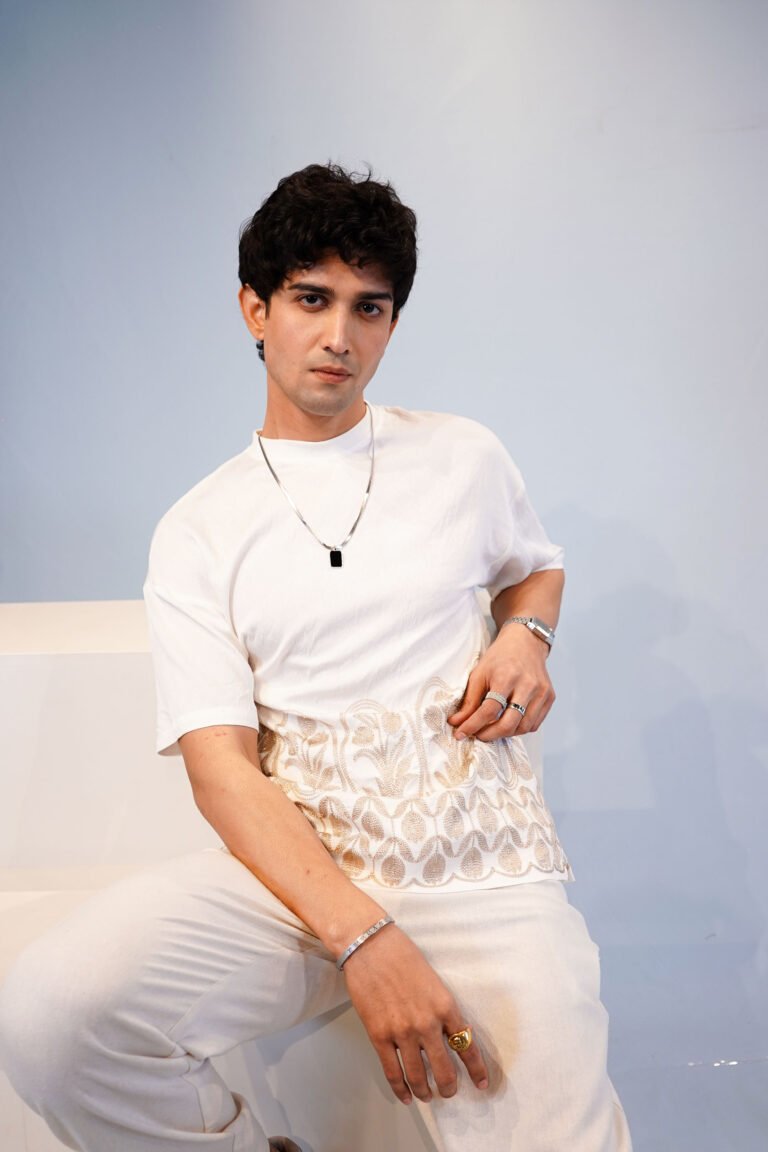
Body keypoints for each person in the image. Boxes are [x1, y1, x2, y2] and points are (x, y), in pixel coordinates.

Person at [0, 162, 632, 1152]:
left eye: (368, 307)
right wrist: (365, 937)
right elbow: (222, 771)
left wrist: (528, 634)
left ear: (391, 323)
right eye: (311, 299)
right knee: (49, 1017)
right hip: (297, 880)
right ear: (255, 309)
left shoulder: (462, 456)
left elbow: (535, 568)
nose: (341, 335)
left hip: (482, 867)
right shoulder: (199, 529)